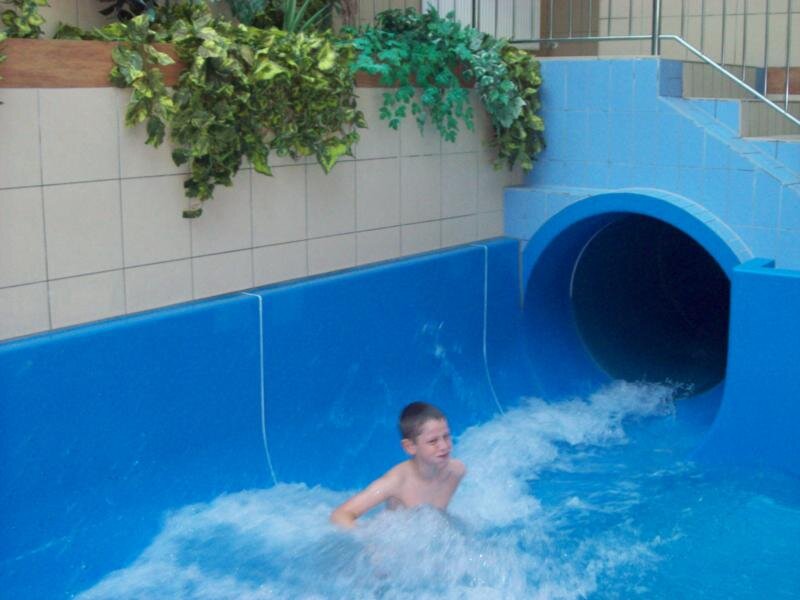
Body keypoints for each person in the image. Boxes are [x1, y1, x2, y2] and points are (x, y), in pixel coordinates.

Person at [330, 402, 466, 528]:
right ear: (410, 447)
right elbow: (340, 515)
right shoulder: (396, 482)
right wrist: (368, 541)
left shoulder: (456, 471)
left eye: (446, 436)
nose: (444, 446)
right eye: (433, 441)